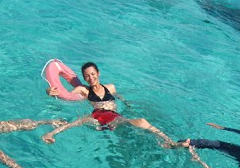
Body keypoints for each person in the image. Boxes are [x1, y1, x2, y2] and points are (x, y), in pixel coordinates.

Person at [42, 62, 175, 147]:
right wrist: (49, 91)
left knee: (134, 132)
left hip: (114, 117)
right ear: (84, 78)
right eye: (87, 76)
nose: (91, 77)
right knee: (141, 121)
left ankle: (167, 142)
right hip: (98, 116)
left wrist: (129, 106)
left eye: (93, 74)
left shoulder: (110, 87)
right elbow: (66, 96)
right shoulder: (83, 90)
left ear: (98, 73)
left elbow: (121, 99)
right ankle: (169, 141)